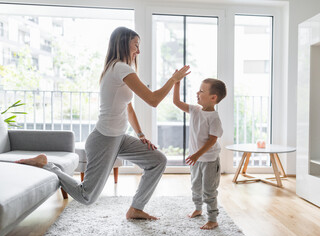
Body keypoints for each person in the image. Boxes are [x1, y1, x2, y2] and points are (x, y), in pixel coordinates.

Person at [15, 26, 191, 220]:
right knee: (86, 196)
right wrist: (173, 79)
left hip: (119, 138)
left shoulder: (120, 69)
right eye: (136, 45)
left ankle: (135, 209)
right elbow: (153, 100)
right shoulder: (120, 68)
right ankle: (47, 164)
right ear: (124, 43)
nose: (138, 51)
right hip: (104, 139)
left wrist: (140, 135)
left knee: (158, 160)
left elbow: (128, 107)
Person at [173, 78, 226, 230]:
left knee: (209, 189)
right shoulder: (195, 110)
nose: (197, 92)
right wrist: (177, 83)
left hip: (209, 160)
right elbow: (176, 102)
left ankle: (212, 219)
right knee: (196, 185)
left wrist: (197, 154)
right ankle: (198, 208)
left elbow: (212, 140)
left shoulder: (214, 118)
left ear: (213, 97)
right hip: (196, 159)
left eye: (202, 91)